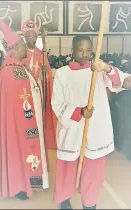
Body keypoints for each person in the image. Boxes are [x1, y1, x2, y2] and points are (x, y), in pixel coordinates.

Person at [51, 35, 130, 209]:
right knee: (67, 172)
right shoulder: (62, 74)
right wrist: (79, 111)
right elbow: (56, 103)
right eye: (80, 50)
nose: (84, 54)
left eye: (88, 50)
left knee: (92, 174)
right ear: (72, 51)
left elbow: (125, 82)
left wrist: (107, 68)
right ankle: (65, 202)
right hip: (71, 131)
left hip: (95, 133)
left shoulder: (99, 71)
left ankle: (90, 204)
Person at [0, 18, 49, 200]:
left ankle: (27, 182)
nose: (26, 48)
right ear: (16, 49)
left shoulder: (17, 67)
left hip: (27, 122)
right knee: (19, 151)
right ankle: (20, 185)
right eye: (23, 45)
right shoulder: (11, 71)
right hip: (21, 127)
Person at [22, 20, 56, 149]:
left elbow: (48, 74)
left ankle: (39, 146)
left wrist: (45, 73)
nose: (32, 38)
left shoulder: (41, 54)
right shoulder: (20, 53)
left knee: (38, 121)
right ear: (24, 35)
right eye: (29, 35)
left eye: (34, 35)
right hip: (24, 94)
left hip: (38, 94)